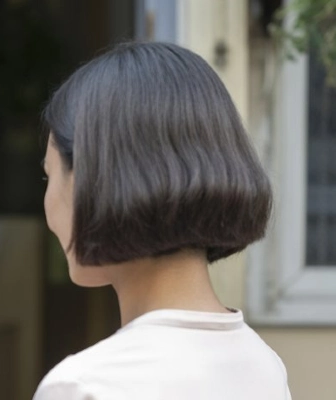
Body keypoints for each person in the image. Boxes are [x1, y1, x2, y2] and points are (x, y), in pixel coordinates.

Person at [34, 42, 291, 400]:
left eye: (49, 176)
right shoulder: (265, 366)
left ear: (88, 180)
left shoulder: (84, 386)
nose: (48, 208)